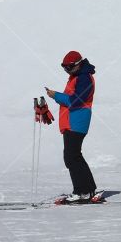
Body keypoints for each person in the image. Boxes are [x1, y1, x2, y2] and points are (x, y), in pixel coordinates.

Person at [46, 50, 97, 202]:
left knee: (72, 157)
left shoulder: (84, 78)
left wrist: (56, 95)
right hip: (72, 122)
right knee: (73, 156)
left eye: (68, 67)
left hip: (77, 121)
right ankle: (88, 190)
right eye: (64, 68)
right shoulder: (77, 77)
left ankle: (82, 191)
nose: (66, 71)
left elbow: (76, 101)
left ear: (77, 64)